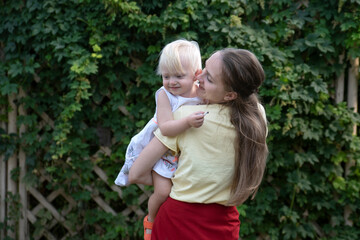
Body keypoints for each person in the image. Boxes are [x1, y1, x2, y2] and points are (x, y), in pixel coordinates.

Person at [129, 48, 269, 240]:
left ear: (230, 95)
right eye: (203, 68)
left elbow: (136, 173)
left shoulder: (186, 118)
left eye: (209, 78)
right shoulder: (257, 117)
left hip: (177, 222)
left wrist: (172, 180)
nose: (198, 77)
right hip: (224, 225)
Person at [114, 39, 206, 239]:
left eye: (178, 76)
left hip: (185, 151)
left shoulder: (202, 93)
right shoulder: (164, 95)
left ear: (196, 74)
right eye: (166, 76)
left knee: (182, 193)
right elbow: (165, 128)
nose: (171, 81)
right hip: (162, 152)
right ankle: (151, 220)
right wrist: (188, 121)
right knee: (163, 192)